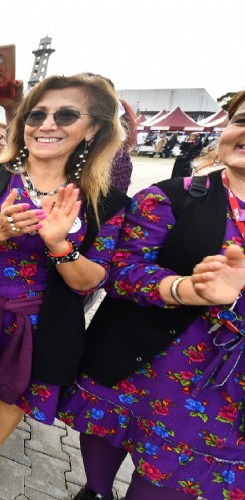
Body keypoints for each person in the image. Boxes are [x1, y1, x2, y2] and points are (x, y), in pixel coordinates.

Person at [0, 74, 129, 498]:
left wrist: (59, 245)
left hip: (42, 321)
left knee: (13, 398)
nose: (47, 124)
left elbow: (93, 280)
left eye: (66, 114)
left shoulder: (104, 201)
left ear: (93, 128)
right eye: (37, 114)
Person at [59, 90, 245, 500]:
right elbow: (122, 271)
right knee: (105, 444)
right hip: (141, 361)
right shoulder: (171, 196)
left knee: (166, 485)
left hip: (226, 390)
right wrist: (186, 288)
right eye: (242, 120)